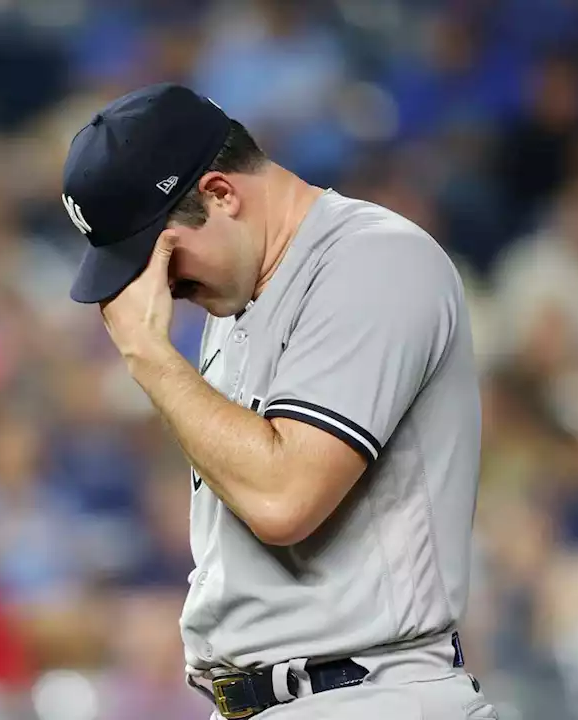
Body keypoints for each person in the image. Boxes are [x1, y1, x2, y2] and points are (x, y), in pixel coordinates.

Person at [60, 82, 496, 719]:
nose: (165, 288)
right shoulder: (242, 291)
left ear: (220, 193)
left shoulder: (372, 261)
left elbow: (284, 498)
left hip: (366, 695)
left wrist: (148, 355)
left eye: (164, 259)